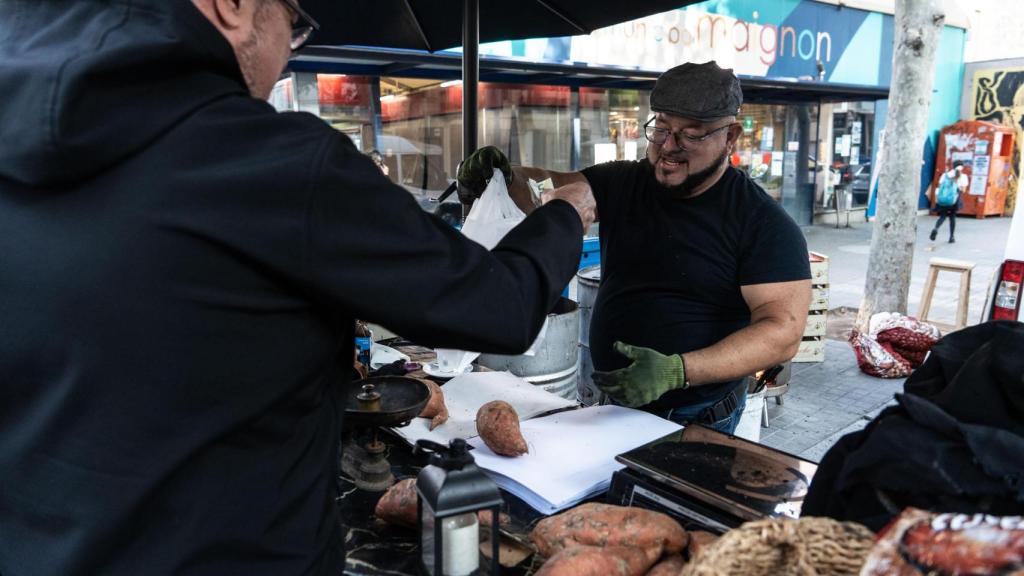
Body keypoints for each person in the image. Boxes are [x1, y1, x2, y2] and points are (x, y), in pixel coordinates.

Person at [0, 1, 595, 575]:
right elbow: (500, 306)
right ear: (232, 4)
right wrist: (568, 211)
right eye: (294, 21)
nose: (288, 54)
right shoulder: (272, 161)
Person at [458, 61, 812, 433]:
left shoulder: (762, 223)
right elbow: (552, 190)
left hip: (697, 416)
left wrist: (678, 371)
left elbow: (782, 332)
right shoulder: (626, 181)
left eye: (691, 135)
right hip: (615, 404)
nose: (669, 147)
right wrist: (505, 176)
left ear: (731, 135)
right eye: (660, 128)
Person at [929, 160, 968, 243]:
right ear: (962, 167)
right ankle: (951, 237)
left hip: (944, 198)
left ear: (953, 166)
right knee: (952, 217)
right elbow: (964, 190)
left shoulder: (945, 175)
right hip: (954, 200)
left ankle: (936, 228)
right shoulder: (963, 176)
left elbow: (940, 186)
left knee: (942, 216)